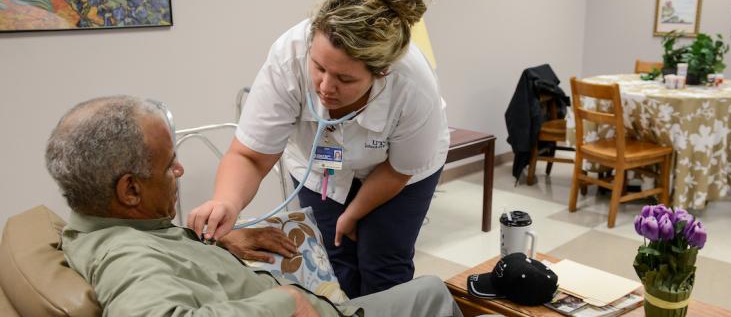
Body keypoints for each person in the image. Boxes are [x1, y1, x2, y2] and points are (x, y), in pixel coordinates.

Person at [46, 96, 462, 316]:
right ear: (130, 191)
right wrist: (284, 302)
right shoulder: (126, 257)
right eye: (168, 164)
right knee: (430, 292)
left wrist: (212, 246)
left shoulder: (106, 227)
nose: (180, 169)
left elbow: (168, 264)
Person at [187, 0, 449, 298]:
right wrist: (226, 201)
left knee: (382, 264)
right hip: (322, 168)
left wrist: (352, 214)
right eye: (319, 68)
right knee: (331, 260)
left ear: (381, 72)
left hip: (397, 172)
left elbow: (398, 170)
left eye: (344, 78)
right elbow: (250, 156)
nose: (325, 87)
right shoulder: (289, 56)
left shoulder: (412, 85)